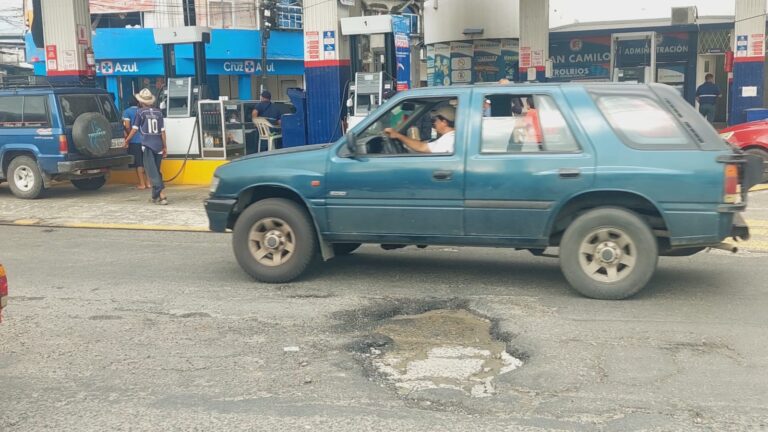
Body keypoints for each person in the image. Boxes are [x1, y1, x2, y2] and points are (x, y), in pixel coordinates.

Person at [124, 88, 168, 205]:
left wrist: (127, 140)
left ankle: (162, 195)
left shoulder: (141, 112)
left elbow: (134, 129)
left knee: (151, 171)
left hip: (147, 145)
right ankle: (155, 196)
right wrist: (165, 147)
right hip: (158, 145)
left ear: (141, 102)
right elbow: (163, 132)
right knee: (156, 171)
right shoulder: (159, 113)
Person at [383, 105, 456, 154]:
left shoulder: (449, 140)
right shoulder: (452, 137)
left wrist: (397, 135)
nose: (435, 123)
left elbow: (422, 147)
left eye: (436, 120)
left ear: (444, 122)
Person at [122, 96, 150, 189]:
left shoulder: (127, 112)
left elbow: (127, 125)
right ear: (138, 103)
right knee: (147, 162)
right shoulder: (143, 111)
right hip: (146, 140)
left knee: (139, 163)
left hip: (135, 141)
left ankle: (142, 184)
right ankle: (149, 183)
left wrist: (129, 135)